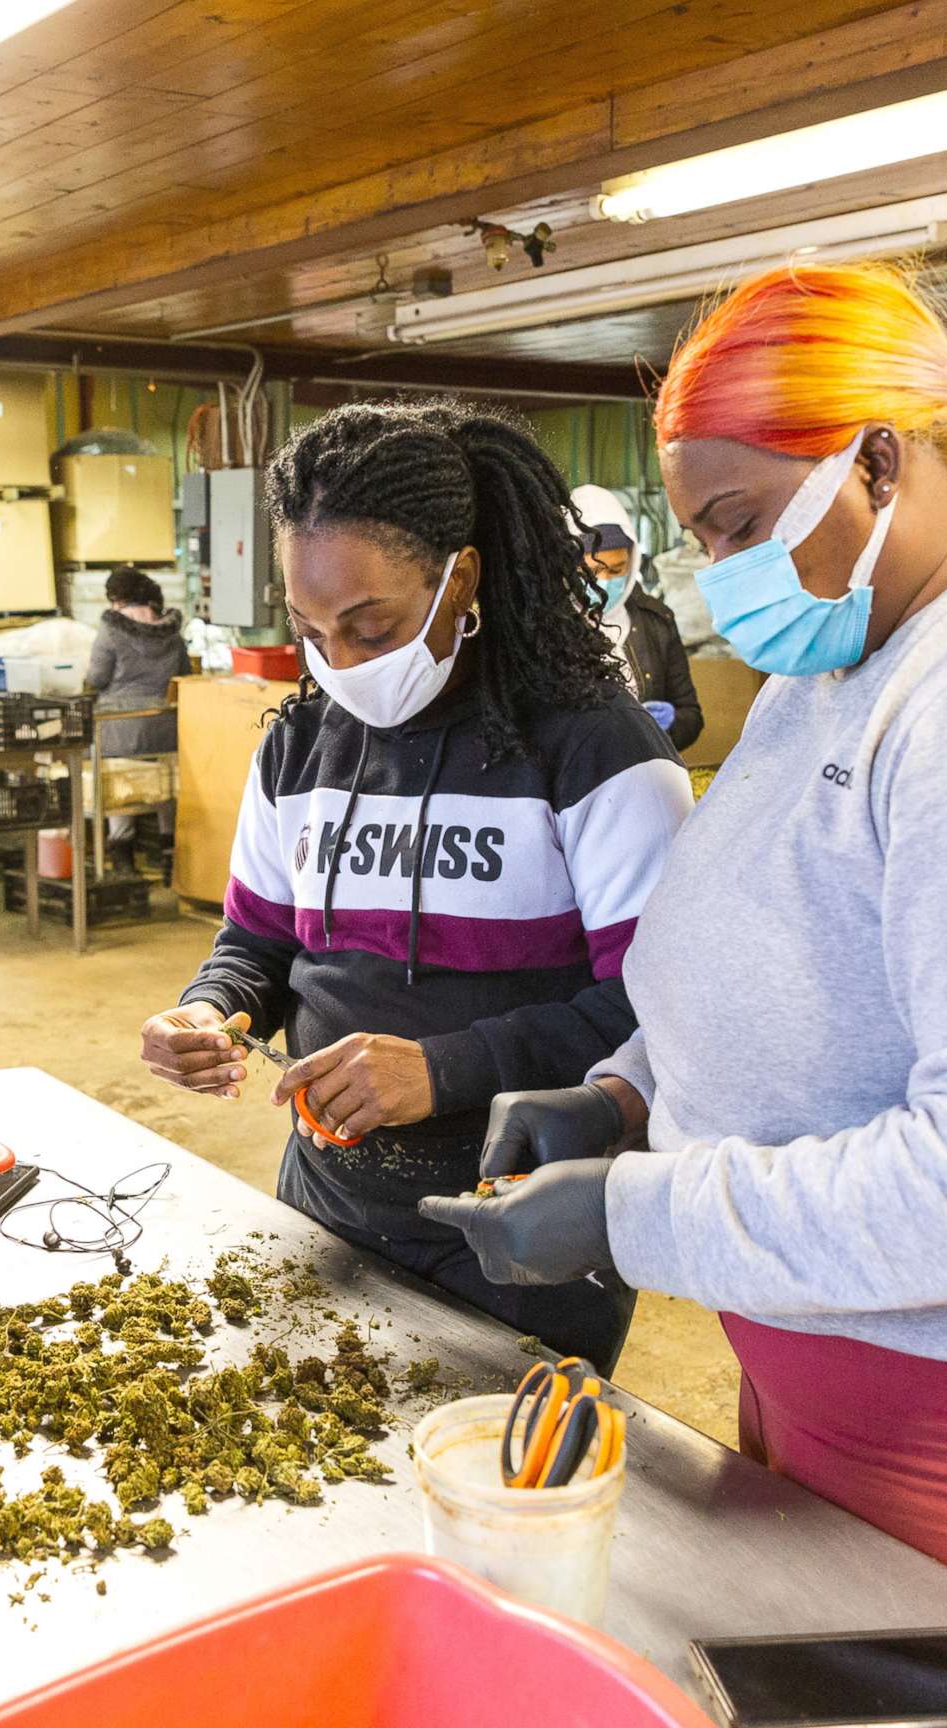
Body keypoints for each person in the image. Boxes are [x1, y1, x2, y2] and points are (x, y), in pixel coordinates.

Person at [422, 264, 947, 1658]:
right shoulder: (851, 658)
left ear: (878, 460)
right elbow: (790, 932)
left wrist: (637, 1214)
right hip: (847, 1340)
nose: (724, 577)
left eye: (741, 525)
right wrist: (633, 1093)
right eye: (701, 537)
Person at [138, 400, 693, 1373]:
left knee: (495, 1489)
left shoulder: (593, 749)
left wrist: (446, 1068)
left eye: (373, 626)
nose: (342, 664)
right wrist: (212, 1009)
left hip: (520, 1211)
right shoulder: (300, 749)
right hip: (329, 1193)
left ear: (460, 578)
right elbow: (258, 945)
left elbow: (662, 1007)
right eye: (311, 631)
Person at [571, 483, 702, 752]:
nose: (604, 582)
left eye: (616, 569)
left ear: (632, 562)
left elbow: (691, 716)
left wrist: (670, 723)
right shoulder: (550, 626)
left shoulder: (656, 621)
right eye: (592, 572)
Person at [84, 568, 187, 860]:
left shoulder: (111, 629)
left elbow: (97, 677)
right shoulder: (172, 632)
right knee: (166, 787)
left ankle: (123, 859)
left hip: (119, 726)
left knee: (121, 787)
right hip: (165, 726)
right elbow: (183, 677)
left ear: (116, 598)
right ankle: (171, 859)